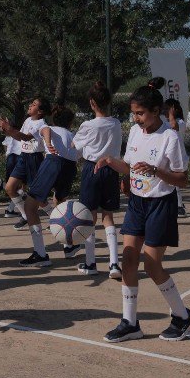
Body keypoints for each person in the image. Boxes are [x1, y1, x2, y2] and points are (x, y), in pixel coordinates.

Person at [93, 78, 190, 343]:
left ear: (155, 111)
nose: (136, 119)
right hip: (138, 204)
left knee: (152, 265)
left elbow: (182, 179)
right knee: (128, 260)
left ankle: (183, 316)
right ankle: (130, 323)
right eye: (134, 113)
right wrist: (110, 162)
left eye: (140, 113)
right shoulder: (137, 132)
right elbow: (129, 166)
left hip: (160, 205)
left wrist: (157, 171)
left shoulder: (170, 137)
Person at [17, 105, 80, 267]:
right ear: (70, 122)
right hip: (70, 167)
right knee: (59, 204)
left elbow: (46, 131)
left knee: (30, 207)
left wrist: (47, 143)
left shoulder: (47, 126)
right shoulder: (72, 135)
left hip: (53, 162)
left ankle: (40, 254)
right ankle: (69, 246)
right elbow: (78, 153)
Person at [73, 80, 124, 279]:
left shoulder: (87, 125)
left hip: (92, 169)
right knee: (108, 217)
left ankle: (91, 262)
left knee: (89, 217)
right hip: (111, 169)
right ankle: (114, 264)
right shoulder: (116, 123)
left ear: (92, 103)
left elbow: (75, 146)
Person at [0, 97, 52, 231]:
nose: (30, 105)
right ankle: (25, 215)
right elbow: (18, 136)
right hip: (23, 157)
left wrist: (9, 128)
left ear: (40, 111)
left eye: (33, 105)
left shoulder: (41, 124)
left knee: (38, 197)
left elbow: (26, 137)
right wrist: (6, 129)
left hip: (34, 159)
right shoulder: (28, 120)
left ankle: (55, 219)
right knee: (10, 188)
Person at [163, 98, 189, 218]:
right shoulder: (165, 123)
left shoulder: (180, 122)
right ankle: (173, 205)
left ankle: (180, 206)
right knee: (167, 181)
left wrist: (171, 114)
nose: (165, 111)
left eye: (167, 109)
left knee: (175, 182)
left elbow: (174, 126)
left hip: (178, 155)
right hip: (166, 155)